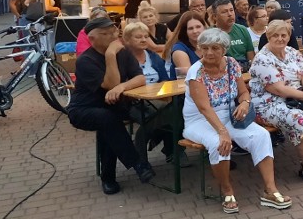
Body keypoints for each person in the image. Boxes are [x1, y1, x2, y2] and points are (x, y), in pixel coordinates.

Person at [183, 28, 292, 213]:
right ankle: (227, 191)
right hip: (200, 120)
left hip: (228, 115)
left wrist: (244, 103)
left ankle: (270, 190)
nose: (209, 52)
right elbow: (204, 108)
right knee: (219, 143)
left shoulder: (232, 64)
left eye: (215, 48)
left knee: (262, 135)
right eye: (205, 48)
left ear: (224, 49)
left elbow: (243, 92)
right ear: (200, 49)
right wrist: (223, 132)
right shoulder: (196, 72)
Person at [66, 17, 153, 195]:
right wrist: (110, 55)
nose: (112, 37)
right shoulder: (85, 60)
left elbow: (140, 77)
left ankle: (109, 177)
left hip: (114, 107)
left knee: (109, 123)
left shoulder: (124, 53)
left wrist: (122, 87)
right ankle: (137, 163)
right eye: (105, 34)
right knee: (106, 119)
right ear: (92, 39)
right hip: (84, 109)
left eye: (113, 32)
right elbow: (111, 83)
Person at [250, 20, 303, 185]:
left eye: (284, 35)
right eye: (275, 35)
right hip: (269, 104)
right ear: (268, 36)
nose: (280, 39)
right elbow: (279, 90)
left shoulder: (293, 52)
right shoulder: (262, 59)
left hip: (296, 99)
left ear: (289, 36)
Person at [121, 22, 185, 164]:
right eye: (138, 37)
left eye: (145, 36)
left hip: (157, 99)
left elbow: (165, 81)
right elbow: (121, 84)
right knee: (170, 115)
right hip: (133, 102)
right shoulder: (122, 59)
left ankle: (159, 148)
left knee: (179, 110)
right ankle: (169, 150)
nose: (144, 40)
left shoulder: (154, 57)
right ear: (127, 40)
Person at [211, 0, 254, 68]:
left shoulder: (243, 30)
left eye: (231, 10)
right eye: (224, 12)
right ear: (215, 16)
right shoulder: (209, 34)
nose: (230, 14)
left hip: (245, 70)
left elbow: (251, 58)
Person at [162, 11, 206, 79]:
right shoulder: (179, 50)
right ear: (185, 31)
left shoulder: (209, 45)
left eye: (198, 27)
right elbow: (191, 76)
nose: (195, 31)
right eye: (190, 28)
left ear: (204, 27)